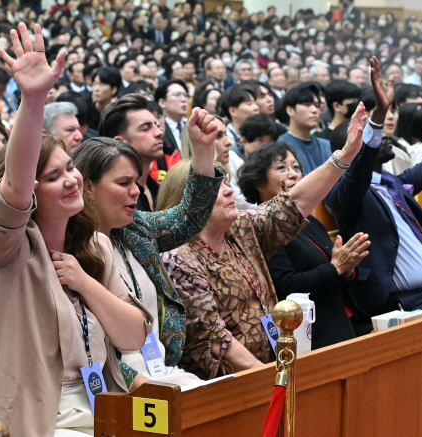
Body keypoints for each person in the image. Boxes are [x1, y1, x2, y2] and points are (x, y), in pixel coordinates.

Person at [0, 23, 151, 436]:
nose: (72, 179)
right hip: (34, 412)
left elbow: (133, 335)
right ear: (32, 190)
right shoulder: (8, 248)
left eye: (72, 167)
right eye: (54, 175)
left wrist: (86, 283)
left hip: (105, 401)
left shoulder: (94, 244)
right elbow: (14, 188)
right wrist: (34, 99)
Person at [158, 100, 366, 379]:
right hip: (231, 383)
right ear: (190, 199)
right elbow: (214, 337)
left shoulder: (240, 228)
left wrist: (345, 156)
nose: (230, 192)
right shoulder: (179, 257)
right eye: (218, 188)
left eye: (228, 183)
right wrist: (274, 376)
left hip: (274, 367)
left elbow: (295, 202)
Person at [72, 106, 223, 389]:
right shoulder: (70, 252)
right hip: (112, 384)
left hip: (162, 369)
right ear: (88, 187)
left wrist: (202, 150)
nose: (136, 191)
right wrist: (153, 390)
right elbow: (86, 348)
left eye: (136, 181)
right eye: (123, 182)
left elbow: (189, 218)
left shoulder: (133, 228)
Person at [326, 59, 422, 335]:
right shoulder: (343, 194)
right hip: (393, 306)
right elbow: (357, 171)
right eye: (371, 136)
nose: (383, 137)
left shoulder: (392, 183)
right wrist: (378, 114)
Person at [238, 141, 370, 349]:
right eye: (281, 168)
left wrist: (347, 269)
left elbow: (335, 272)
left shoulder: (310, 221)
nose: (293, 175)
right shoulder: (260, 229)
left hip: (340, 322)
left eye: (296, 167)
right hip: (307, 337)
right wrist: (335, 268)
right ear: (258, 182)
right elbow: (286, 288)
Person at [98, 94, 167, 212]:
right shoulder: (114, 198)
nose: (159, 133)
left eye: (156, 125)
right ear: (119, 142)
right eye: (145, 128)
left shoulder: (158, 190)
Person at [226, 114, 279, 209]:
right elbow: (239, 198)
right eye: (260, 141)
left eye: (270, 142)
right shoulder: (231, 157)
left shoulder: (274, 160)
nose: (266, 146)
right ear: (245, 141)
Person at [278, 82, 332, 175]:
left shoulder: (326, 145)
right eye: (307, 104)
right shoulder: (282, 147)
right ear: (290, 110)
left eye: (317, 106)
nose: (314, 110)